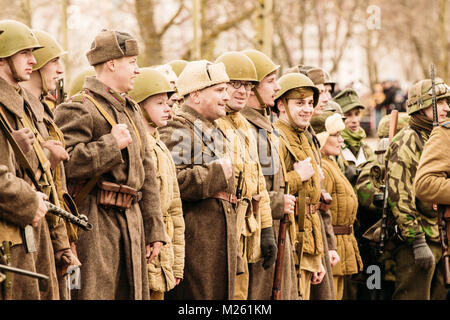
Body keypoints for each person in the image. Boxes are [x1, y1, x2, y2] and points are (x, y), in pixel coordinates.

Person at [54, 29, 169, 300]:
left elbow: (146, 173)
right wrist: (110, 145)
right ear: (111, 64)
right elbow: (63, 165)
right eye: (132, 63)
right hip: (94, 223)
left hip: (132, 222)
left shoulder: (131, 109)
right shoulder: (80, 106)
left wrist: (154, 229)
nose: (137, 70)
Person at [160, 60, 238, 300]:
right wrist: (216, 174)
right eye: (219, 90)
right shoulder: (177, 126)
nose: (226, 96)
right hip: (196, 243)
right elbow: (174, 182)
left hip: (217, 241)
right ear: (194, 95)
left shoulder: (213, 128)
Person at [20, 29, 80, 300]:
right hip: (32, 225)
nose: (59, 70)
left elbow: (57, 184)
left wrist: (65, 242)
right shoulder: (22, 111)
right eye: (54, 61)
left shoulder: (42, 111)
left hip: (54, 226)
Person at [215, 51, 277, 300]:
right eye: (234, 84)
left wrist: (267, 228)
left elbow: (258, 183)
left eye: (248, 85)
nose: (243, 91)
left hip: (246, 230)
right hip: (225, 230)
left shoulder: (243, 125)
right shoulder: (214, 124)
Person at [0, 19, 52, 300]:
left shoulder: (19, 102)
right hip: (10, 234)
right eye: (24, 53)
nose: (33, 61)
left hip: (25, 230)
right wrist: (30, 200)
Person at [384, 78, 450, 300]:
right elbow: (398, 194)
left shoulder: (437, 137)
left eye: (446, 102)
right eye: (438, 102)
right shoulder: (408, 139)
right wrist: (417, 241)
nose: (446, 108)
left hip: (440, 236)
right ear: (419, 106)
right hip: (416, 239)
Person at [240, 49, 298, 300]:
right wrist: (276, 202)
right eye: (270, 80)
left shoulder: (264, 126)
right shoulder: (245, 127)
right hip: (258, 229)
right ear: (253, 87)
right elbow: (248, 185)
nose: (277, 86)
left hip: (275, 226)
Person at [128, 68, 185, 300]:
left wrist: (177, 263)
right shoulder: (139, 145)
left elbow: (174, 208)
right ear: (140, 106)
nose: (168, 108)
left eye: (168, 102)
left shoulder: (160, 146)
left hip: (163, 255)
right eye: (159, 103)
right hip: (144, 251)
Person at [274, 72, 327, 300]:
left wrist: (318, 257)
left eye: (309, 103)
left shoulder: (304, 137)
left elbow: (313, 203)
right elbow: (270, 189)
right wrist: (297, 176)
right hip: (289, 239)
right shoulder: (276, 138)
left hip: (308, 243)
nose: (307, 109)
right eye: (299, 103)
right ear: (281, 105)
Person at [287, 65, 339, 300]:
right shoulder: (283, 135)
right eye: (320, 91)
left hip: (313, 239)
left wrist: (328, 246)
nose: (324, 98)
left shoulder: (307, 136)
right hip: (296, 238)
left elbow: (320, 201)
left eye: (313, 99)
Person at [314, 112, 363, 299]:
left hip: (342, 243)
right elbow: (321, 212)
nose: (341, 140)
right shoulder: (324, 167)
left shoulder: (331, 163)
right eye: (335, 135)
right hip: (332, 243)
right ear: (322, 137)